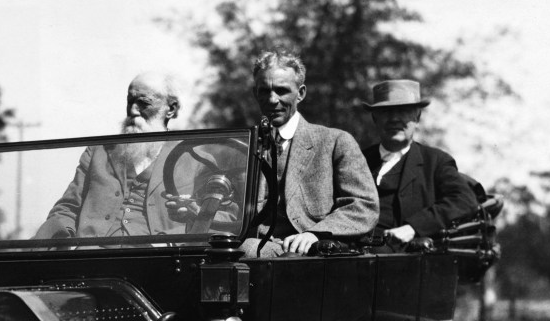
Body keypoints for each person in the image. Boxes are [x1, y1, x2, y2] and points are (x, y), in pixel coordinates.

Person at [34, 72, 233, 239]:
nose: (132, 111)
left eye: (143, 103)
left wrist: (195, 217)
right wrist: (66, 241)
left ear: (170, 109)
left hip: (157, 262)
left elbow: (228, 217)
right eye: (129, 102)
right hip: (92, 258)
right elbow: (66, 209)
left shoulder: (196, 160)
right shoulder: (98, 152)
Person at [243, 49, 378, 258]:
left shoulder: (335, 142)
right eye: (264, 91)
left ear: (301, 93)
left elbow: (363, 206)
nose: (272, 99)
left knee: (248, 251)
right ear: (255, 94)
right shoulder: (244, 147)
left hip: (315, 256)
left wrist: (316, 234)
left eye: (281, 90)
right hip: (255, 248)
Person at [359, 79, 477, 249]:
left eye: (403, 111)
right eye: (386, 112)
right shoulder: (356, 160)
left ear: (417, 117)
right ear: (374, 118)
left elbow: (464, 200)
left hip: (411, 262)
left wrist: (413, 227)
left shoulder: (435, 162)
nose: (394, 119)